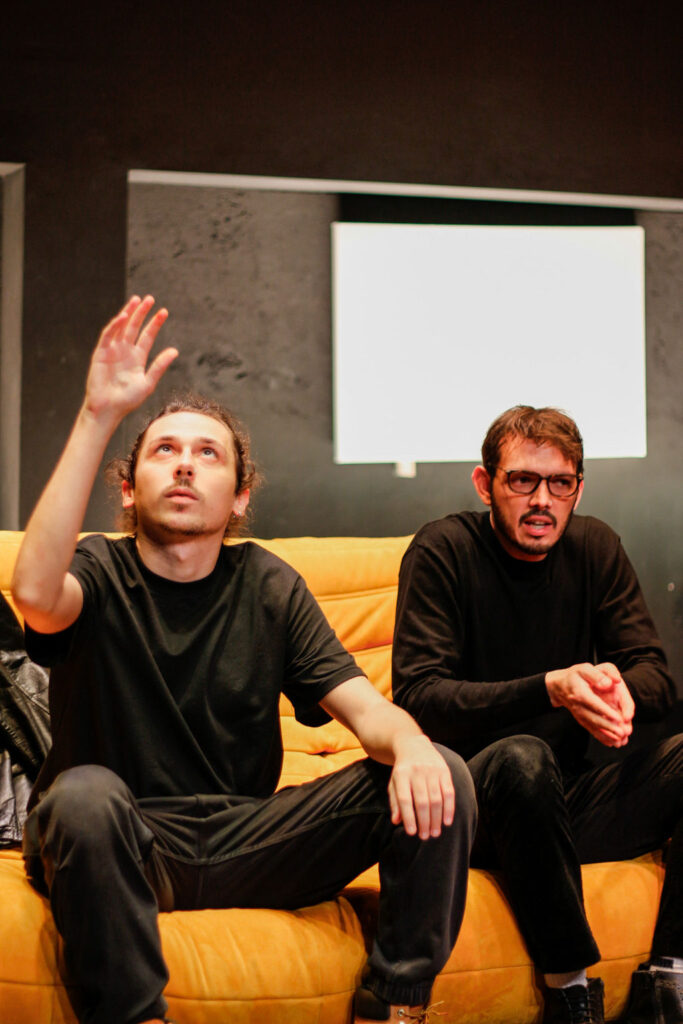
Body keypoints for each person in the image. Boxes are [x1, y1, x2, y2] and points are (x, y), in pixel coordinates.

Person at [12, 296, 477, 1024]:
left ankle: (395, 1005)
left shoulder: (268, 585)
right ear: (129, 489)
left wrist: (413, 745)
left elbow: (365, 709)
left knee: (439, 770)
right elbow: (37, 596)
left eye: (208, 454)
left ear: (238, 496)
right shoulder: (99, 568)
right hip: (123, 837)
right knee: (81, 796)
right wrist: (99, 415)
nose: (185, 465)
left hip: (249, 839)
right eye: (163, 451)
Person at [392, 405, 683, 1024]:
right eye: (523, 480)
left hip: (565, 805)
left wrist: (619, 689)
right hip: (469, 811)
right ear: (485, 483)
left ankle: (670, 977)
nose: (542, 501)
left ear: (579, 488)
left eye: (560, 483)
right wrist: (548, 690)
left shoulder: (595, 546)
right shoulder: (443, 550)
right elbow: (420, 697)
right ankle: (572, 993)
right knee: (524, 757)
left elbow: (654, 674)